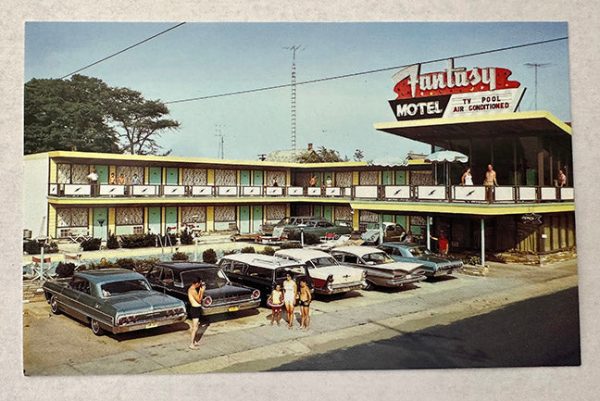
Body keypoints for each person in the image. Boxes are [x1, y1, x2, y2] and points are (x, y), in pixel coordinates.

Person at [187, 278, 206, 349]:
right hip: (195, 309)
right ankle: (191, 344)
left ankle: (194, 341)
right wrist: (202, 291)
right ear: (196, 283)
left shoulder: (193, 289)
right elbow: (199, 300)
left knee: (197, 326)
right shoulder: (192, 290)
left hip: (197, 309)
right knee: (194, 328)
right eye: (199, 284)